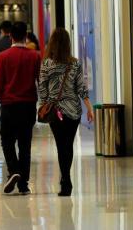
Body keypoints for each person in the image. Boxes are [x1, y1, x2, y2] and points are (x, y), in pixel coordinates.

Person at [0, 22, 41, 195]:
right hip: (28, 106)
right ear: (26, 36)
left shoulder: (3, 56)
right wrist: (44, 103)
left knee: (7, 142)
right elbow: (41, 81)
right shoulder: (35, 56)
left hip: (9, 106)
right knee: (25, 145)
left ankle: (13, 170)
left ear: (10, 37)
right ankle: (23, 185)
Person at [38, 28, 94, 196]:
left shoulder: (47, 63)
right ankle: (66, 179)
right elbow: (81, 88)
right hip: (73, 111)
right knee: (68, 145)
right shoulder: (74, 63)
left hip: (55, 111)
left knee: (61, 145)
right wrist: (89, 107)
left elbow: (42, 88)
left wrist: (43, 105)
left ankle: (66, 179)